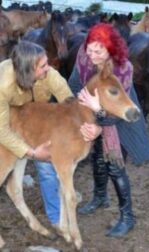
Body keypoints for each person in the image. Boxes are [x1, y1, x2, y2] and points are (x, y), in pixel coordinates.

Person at [0, 41, 101, 227]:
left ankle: (57, 219)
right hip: (5, 117)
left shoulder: (51, 75)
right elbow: (2, 131)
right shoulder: (3, 84)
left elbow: (71, 105)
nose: (49, 68)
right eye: (43, 66)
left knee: (47, 167)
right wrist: (31, 153)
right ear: (29, 70)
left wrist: (90, 125)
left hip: (35, 118)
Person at [68, 23, 149, 237]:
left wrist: (98, 119)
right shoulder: (84, 55)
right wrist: (85, 117)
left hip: (121, 117)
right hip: (91, 112)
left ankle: (128, 217)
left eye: (99, 51)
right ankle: (100, 197)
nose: (92, 55)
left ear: (110, 50)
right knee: (97, 157)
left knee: (115, 165)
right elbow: (75, 85)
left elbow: (117, 107)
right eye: (90, 49)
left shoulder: (123, 68)